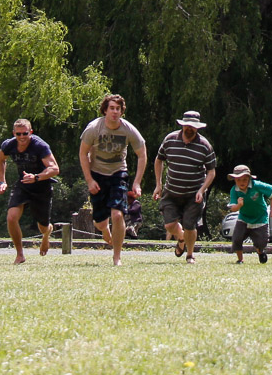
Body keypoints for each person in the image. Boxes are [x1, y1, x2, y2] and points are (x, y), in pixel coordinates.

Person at [79, 94, 147, 267]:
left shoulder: (128, 129)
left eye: (118, 109)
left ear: (122, 111)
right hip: (97, 174)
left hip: (118, 174)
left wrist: (137, 182)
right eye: (112, 108)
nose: (115, 112)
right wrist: (89, 180)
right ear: (105, 110)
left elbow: (142, 154)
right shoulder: (94, 128)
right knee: (100, 222)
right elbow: (83, 153)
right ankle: (104, 229)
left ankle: (117, 257)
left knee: (117, 215)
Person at [153, 110, 217, 265]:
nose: (190, 128)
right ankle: (181, 238)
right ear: (182, 125)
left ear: (198, 128)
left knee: (190, 225)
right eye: (187, 125)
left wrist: (202, 190)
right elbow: (159, 160)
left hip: (193, 194)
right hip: (171, 191)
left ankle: (190, 255)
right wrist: (158, 185)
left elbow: (211, 172)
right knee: (169, 225)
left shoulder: (204, 145)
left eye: (193, 126)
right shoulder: (170, 140)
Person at [0, 119, 60, 265]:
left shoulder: (40, 146)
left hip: (41, 187)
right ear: (14, 133)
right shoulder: (9, 145)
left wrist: (36, 177)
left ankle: (47, 234)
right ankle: (20, 255)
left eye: (25, 133)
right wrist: (2, 181)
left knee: (43, 227)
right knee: (11, 217)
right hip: (23, 184)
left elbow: (55, 169)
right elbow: (1, 160)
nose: (22, 137)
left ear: (30, 132)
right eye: (18, 134)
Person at [227, 165, 272, 264]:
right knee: (237, 238)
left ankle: (260, 251)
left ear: (249, 178)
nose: (241, 182)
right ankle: (240, 259)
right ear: (234, 180)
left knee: (261, 242)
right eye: (238, 180)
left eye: (244, 179)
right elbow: (232, 208)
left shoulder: (257, 185)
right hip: (244, 218)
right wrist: (239, 205)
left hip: (260, 218)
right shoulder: (234, 190)